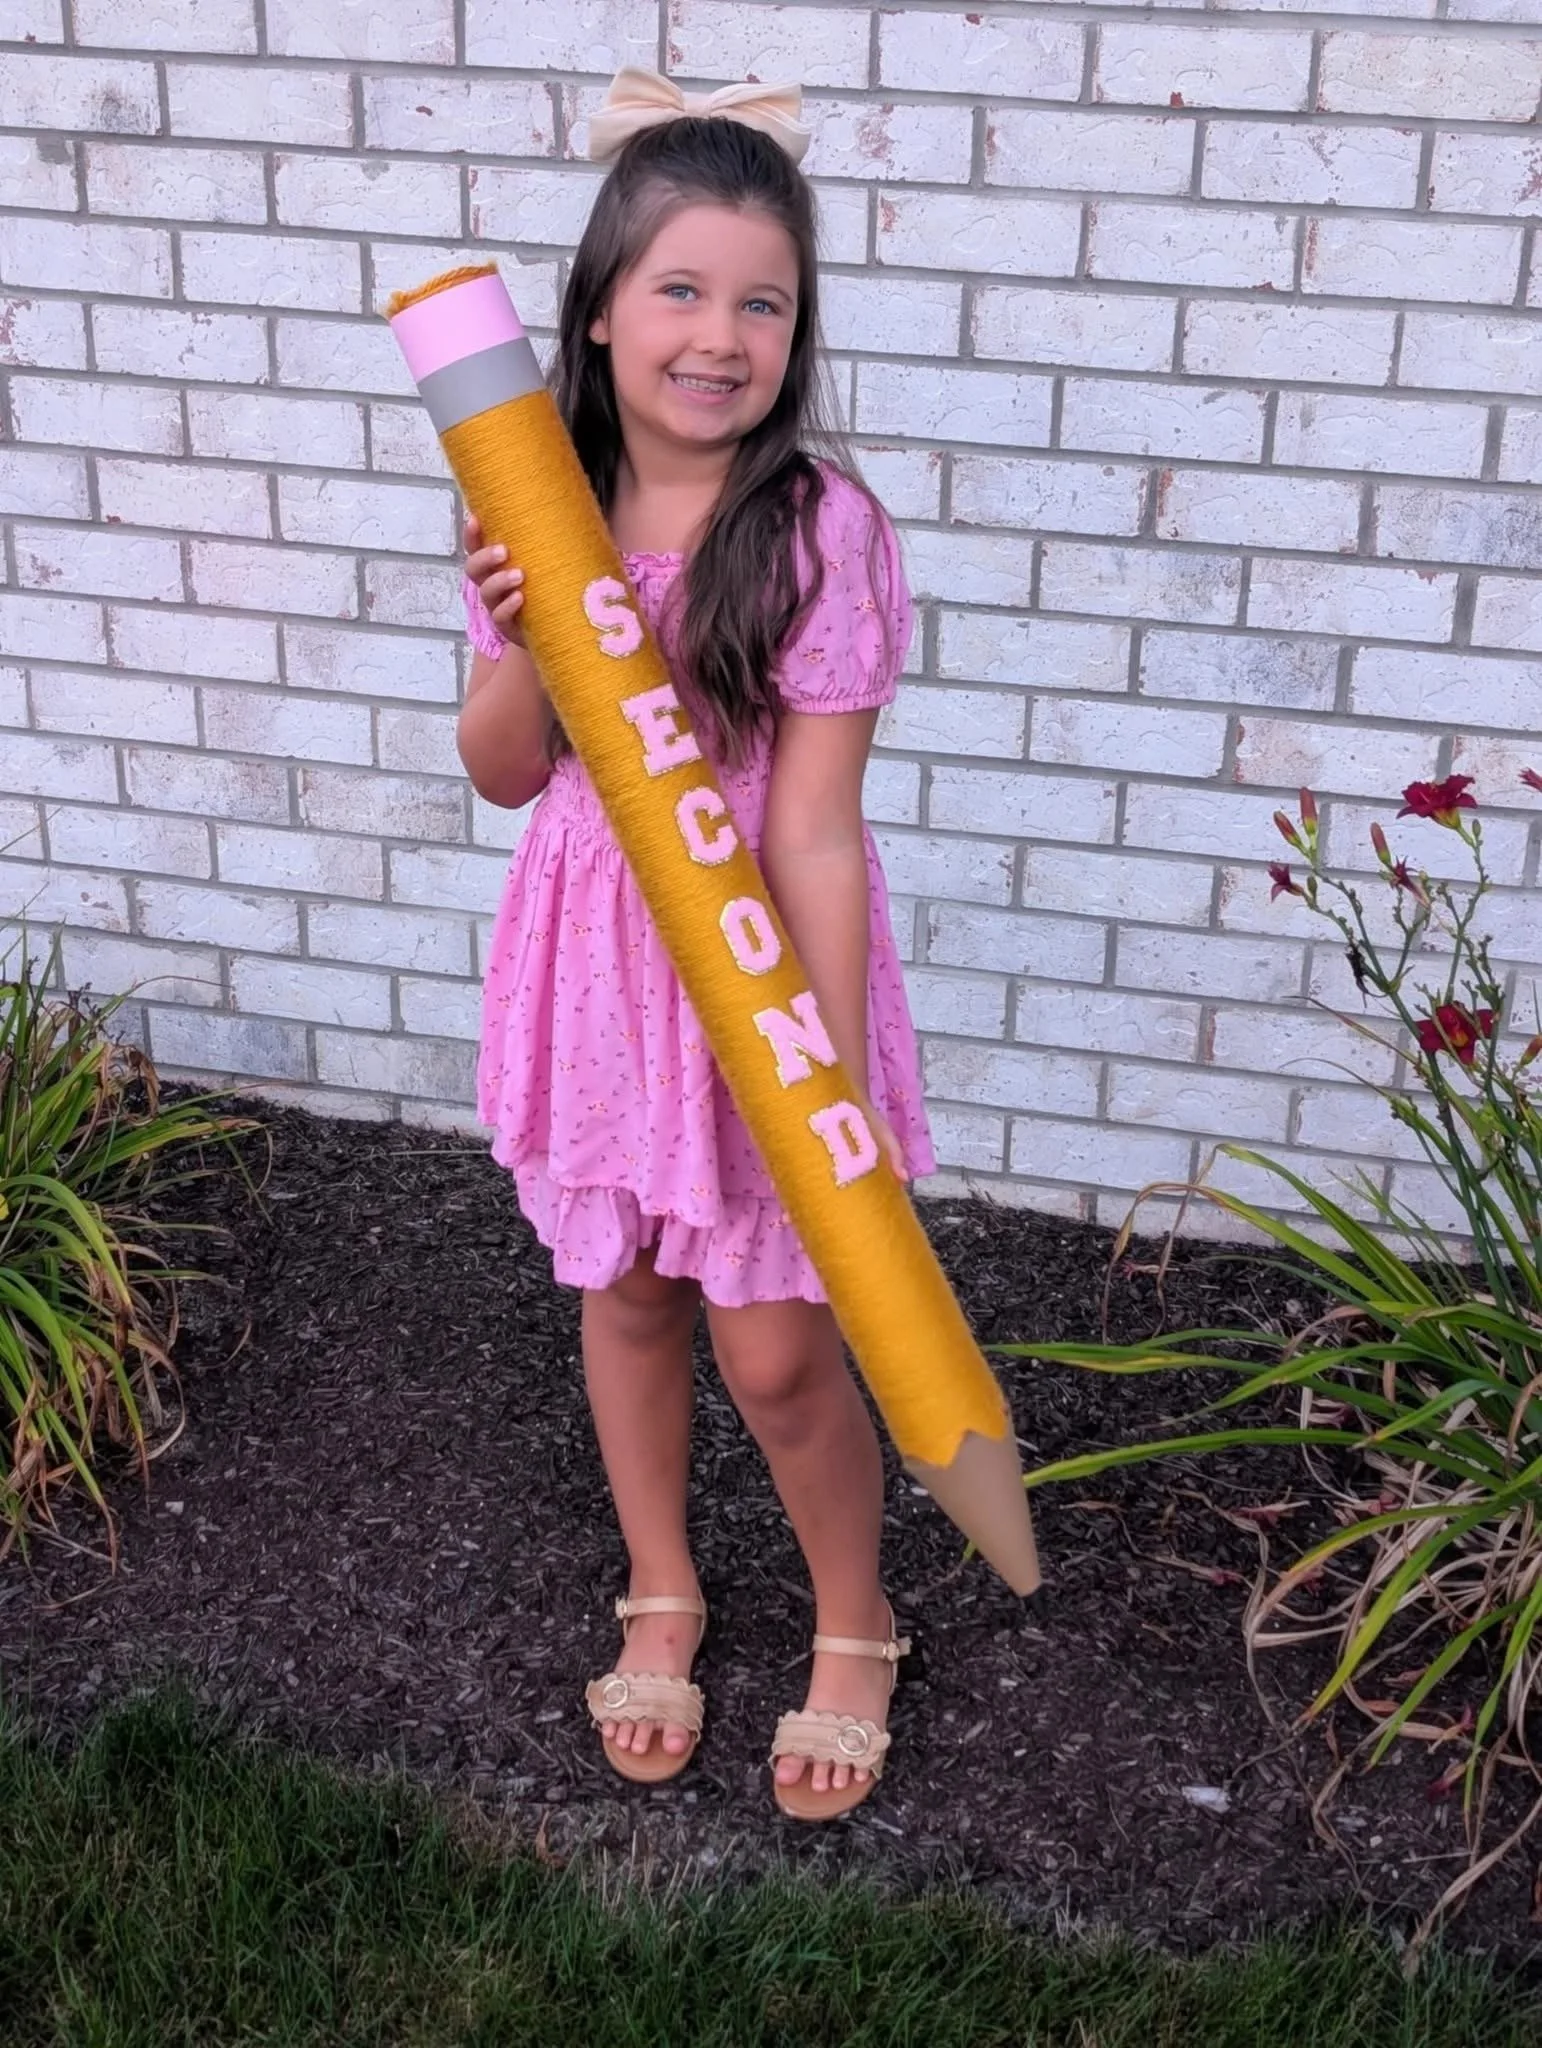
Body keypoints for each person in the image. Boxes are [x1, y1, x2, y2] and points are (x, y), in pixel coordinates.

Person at [455, 70, 934, 1822]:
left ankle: (853, 1616)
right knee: (632, 1293)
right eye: (679, 290)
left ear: (796, 334)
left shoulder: (815, 530)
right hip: (599, 960)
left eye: (762, 303)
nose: (719, 337)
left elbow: (810, 830)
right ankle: (659, 1581)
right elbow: (506, 771)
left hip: (753, 965)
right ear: (599, 308)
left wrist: (820, 1076)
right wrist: (524, 631)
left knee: (778, 1347)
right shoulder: (538, 490)